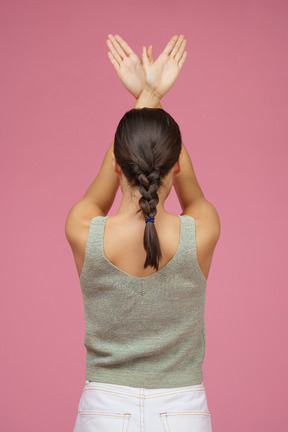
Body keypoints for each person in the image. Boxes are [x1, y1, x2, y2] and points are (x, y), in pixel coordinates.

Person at [65, 33, 220, 432]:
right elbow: (194, 195)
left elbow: (98, 193)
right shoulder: (201, 231)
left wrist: (145, 98)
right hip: (183, 411)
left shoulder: (84, 231)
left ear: (117, 166)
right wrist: (154, 98)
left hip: (104, 412)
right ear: (178, 166)